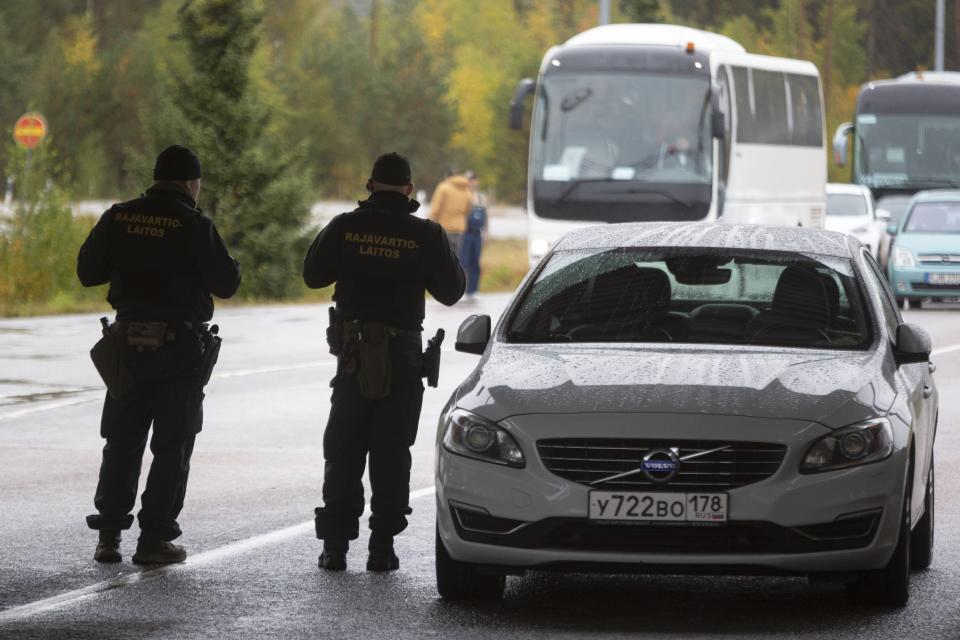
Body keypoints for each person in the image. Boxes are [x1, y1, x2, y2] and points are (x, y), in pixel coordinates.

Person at [77, 145, 240, 565]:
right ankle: (153, 541)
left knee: (122, 442)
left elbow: (87, 272)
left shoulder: (119, 215)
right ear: (191, 183)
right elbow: (227, 283)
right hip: (178, 350)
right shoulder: (194, 223)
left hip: (128, 344)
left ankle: (108, 537)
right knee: (172, 444)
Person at [303, 152, 464, 572]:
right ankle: (381, 547)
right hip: (403, 356)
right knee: (392, 451)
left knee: (344, 447)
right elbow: (452, 291)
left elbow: (312, 275)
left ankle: (335, 547)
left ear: (369, 185)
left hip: (354, 356)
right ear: (409, 190)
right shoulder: (426, 234)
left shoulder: (345, 226)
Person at [459, 170, 488, 302]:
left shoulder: (481, 197)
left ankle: (473, 290)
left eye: (473, 180)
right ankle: (462, 290)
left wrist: (487, 233)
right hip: (466, 233)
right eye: (469, 180)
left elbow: (486, 217)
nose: (471, 182)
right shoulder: (462, 195)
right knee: (463, 262)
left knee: (475, 262)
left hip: (477, 234)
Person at [428, 169, 472, 254]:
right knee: (456, 257)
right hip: (460, 229)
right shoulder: (466, 190)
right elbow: (468, 211)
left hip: (445, 228)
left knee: (443, 256)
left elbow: (435, 210)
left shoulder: (443, 188)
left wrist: (431, 224)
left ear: (446, 177)